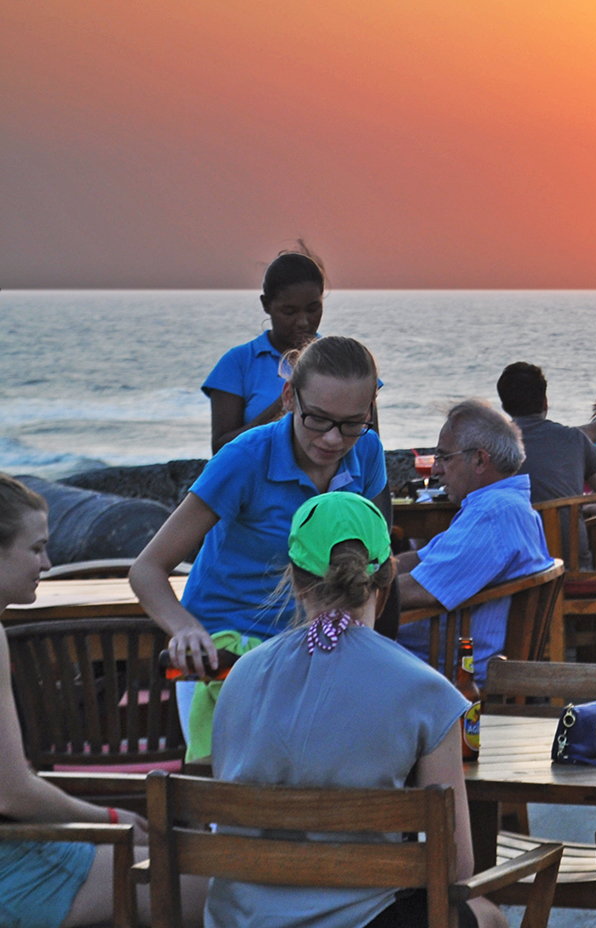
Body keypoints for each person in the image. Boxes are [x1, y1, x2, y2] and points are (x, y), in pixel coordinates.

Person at [206, 491, 503, 928]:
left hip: (240, 918)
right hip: (363, 919)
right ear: (385, 584)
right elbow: (455, 866)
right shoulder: (425, 690)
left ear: (294, 580)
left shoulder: (241, 676)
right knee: (488, 916)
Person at [132, 335, 394, 760]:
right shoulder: (244, 459)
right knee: (235, 806)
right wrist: (184, 629)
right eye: (318, 419)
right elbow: (146, 569)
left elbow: (377, 566)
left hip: (317, 652)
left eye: (351, 423)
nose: (332, 440)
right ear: (289, 397)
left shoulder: (367, 452)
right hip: (224, 657)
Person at [0, 474, 207, 928]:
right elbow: (12, 792)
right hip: (14, 867)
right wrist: (111, 816)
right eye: (35, 549)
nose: (49, 563)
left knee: (174, 854)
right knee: (228, 890)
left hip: (20, 842)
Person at [394, 401, 554, 683]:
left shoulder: (492, 514)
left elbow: (422, 588)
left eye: (444, 457)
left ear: (480, 460)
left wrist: (348, 591)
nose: (435, 470)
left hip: (449, 666)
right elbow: (420, 559)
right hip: (441, 653)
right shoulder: (503, 505)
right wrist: (372, 569)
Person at [202, 246, 328, 451]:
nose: (304, 322)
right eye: (289, 312)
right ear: (266, 304)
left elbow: (370, 447)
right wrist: (285, 403)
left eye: (313, 309)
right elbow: (221, 449)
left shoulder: (342, 360)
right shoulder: (238, 363)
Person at [496, 363, 596, 504]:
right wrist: (586, 507)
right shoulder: (575, 439)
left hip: (520, 526)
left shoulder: (494, 449)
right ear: (545, 402)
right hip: (571, 526)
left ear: (505, 408)